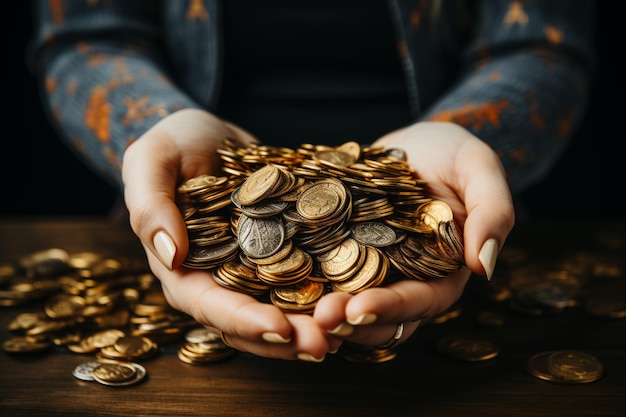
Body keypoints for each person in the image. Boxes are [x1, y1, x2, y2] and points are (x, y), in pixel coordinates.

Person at [29, 1, 595, 362]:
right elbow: (86, 38)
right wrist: (152, 131)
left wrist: (464, 136)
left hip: (442, 201)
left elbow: (540, 43)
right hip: (197, 201)